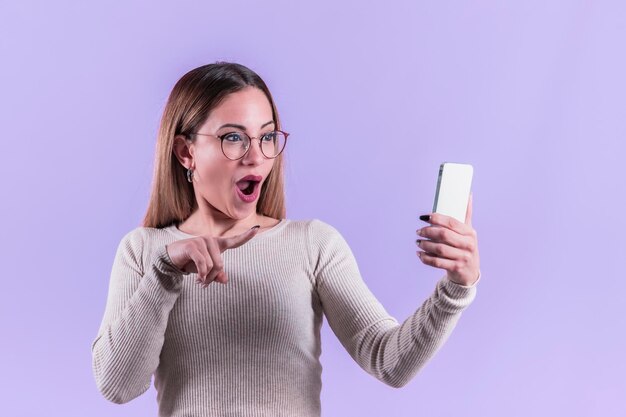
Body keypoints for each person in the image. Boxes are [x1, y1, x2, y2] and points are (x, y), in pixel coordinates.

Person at [91, 62, 481, 417]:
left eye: (266, 137)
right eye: (233, 138)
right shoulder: (143, 251)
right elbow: (118, 386)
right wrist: (164, 273)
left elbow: (389, 362)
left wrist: (456, 288)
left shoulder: (312, 244)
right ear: (186, 151)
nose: (256, 157)